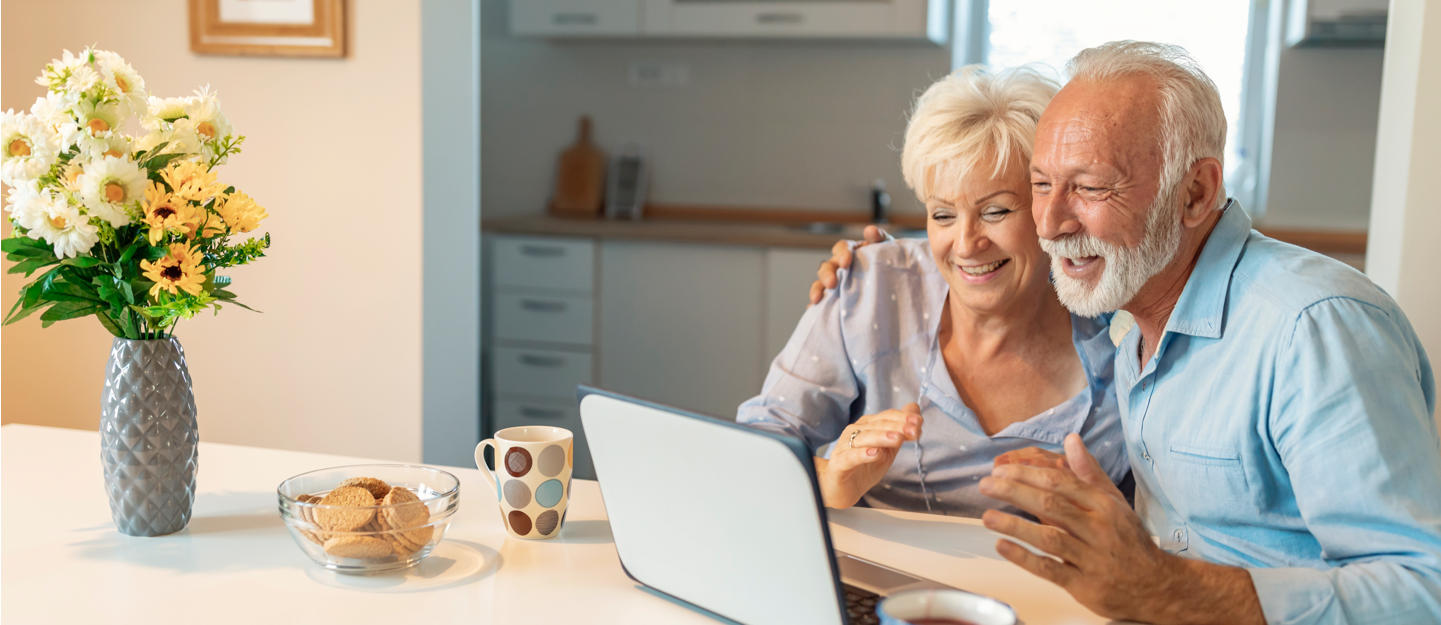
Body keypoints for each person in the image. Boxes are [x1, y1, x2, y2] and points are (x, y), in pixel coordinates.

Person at [815, 41, 1441, 624]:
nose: (1052, 223)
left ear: (1194, 193)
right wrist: (878, 265)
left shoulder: (1313, 328)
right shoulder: (1126, 308)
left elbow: (1424, 589)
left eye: (1090, 188)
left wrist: (1163, 586)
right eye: (1039, 187)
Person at [737, 65, 1130, 518]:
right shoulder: (874, 286)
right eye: (943, 216)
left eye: (996, 211)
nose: (965, 245)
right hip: (869, 581)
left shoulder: (1120, 343)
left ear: (1049, 208)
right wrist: (830, 480)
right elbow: (760, 442)